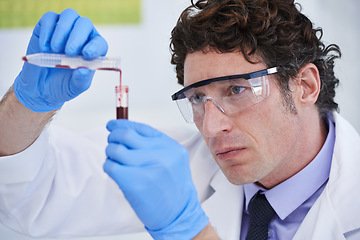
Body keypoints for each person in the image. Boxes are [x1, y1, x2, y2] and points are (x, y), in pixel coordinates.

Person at [0, 0, 359, 239]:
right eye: (198, 99)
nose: (210, 126)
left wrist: (187, 229)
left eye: (237, 90)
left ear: (306, 85)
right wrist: (28, 102)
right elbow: (29, 197)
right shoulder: (177, 167)